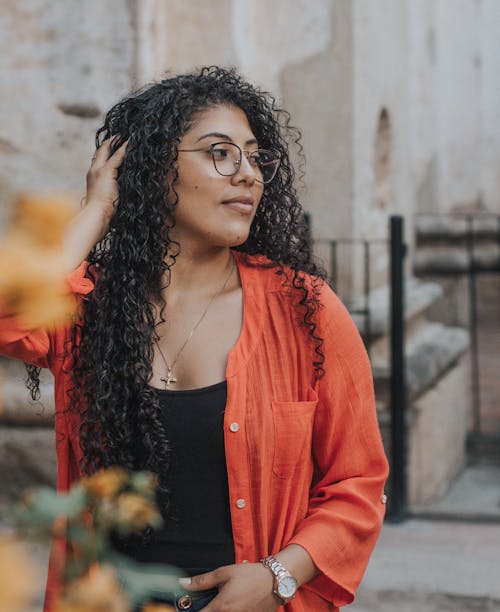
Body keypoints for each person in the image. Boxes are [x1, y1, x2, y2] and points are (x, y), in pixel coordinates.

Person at [0, 66, 388, 612]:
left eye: (255, 157)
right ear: (155, 169)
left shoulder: (305, 311)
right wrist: (97, 208)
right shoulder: (92, 310)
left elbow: (358, 482)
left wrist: (276, 576)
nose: (248, 174)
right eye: (220, 153)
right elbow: (10, 310)